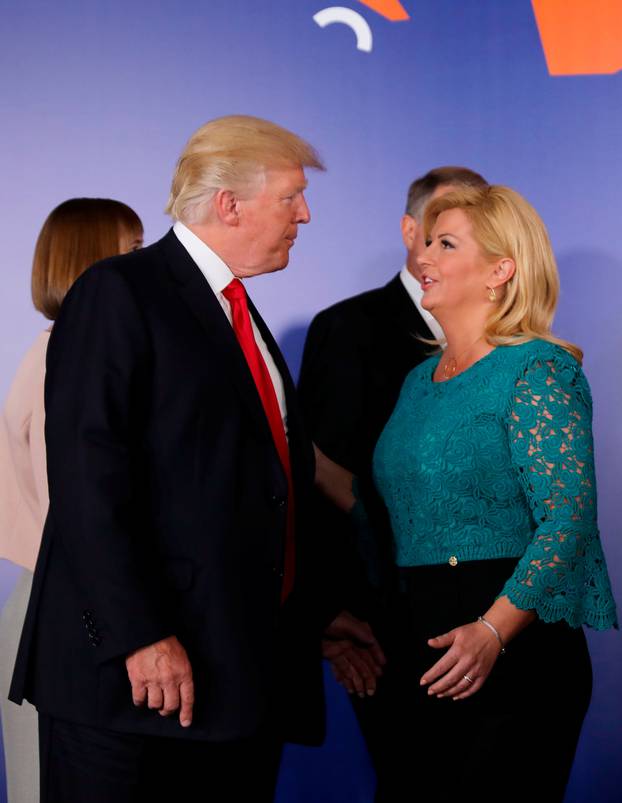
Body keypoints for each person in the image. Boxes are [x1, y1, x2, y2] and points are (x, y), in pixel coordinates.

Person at [8, 115, 375, 803]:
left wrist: (309, 611)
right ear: (229, 204)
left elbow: (251, 488)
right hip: (132, 687)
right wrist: (140, 634)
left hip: (232, 683)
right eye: (291, 196)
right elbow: (89, 482)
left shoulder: (237, 309)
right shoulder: (120, 292)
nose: (306, 214)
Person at [371, 184, 618, 802]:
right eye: (426, 241)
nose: (424, 256)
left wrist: (492, 631)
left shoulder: (538, 367)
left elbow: (567, 518)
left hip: (514, 644)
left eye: (446, 243)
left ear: (500, 270)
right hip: (421, 638)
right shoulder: (415, 380)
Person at [298, 166, 487, 800]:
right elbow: (316, 475)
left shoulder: (516, 350)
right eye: (437, 233)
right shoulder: (347, 329)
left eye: (466, 234)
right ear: (410, 231)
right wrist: (332, 612)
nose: (441, 252)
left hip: (491, 615)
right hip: (385, 622)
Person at [0, 198, 143, 803]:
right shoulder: (67, 356)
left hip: (64, 596)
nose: (147, 266)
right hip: (66, 602)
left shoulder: (58, 351)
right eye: (133, 252)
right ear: (95, 263)